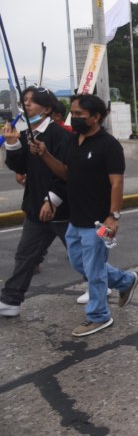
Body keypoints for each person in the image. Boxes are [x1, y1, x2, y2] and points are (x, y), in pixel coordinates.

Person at [30, 94, 138, 337]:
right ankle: (125, 281)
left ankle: (99, 315)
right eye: (73, 113)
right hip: (76, 218)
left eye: (80, 114)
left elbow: (117, 183)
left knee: (94, 269)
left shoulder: (109, 145)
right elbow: (66, 173)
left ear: (96, 116)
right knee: (80, 263)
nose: (75, 118)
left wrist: (114, 216)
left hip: (99, 220)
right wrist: (45, 154)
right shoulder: (73, 141)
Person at [0, 87, 72, 318]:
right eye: (25, 101)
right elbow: (21, 167)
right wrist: (12, 144)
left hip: (61, 210)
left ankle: (114, 282)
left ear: (48, 108)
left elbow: (66, 173)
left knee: (80, 256)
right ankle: (11, 299)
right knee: (25, 255)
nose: (26, 105)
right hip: (35, 208)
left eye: (32, 101)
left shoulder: (59, 136)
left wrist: (52, 200)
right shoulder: (26, 133)